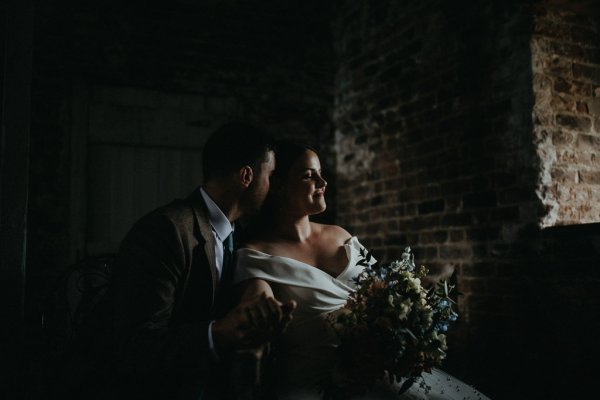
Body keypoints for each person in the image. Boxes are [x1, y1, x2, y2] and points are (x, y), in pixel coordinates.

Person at [233, 142, 490, 400]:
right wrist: (260, 305)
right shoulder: (256, 252)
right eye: (308, 175)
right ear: (278, 187)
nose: (322, 181)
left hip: (378, 371)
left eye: (320, 172)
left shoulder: (341, 235)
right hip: (314, 385)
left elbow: (383, 287)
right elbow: (256, 298)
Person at [68, 123, 296, 400]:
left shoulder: (240, 234)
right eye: (270, 176)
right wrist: (219, 333)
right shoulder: (166, 231)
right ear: (247, 175)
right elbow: (135, 346)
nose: (273, 188)